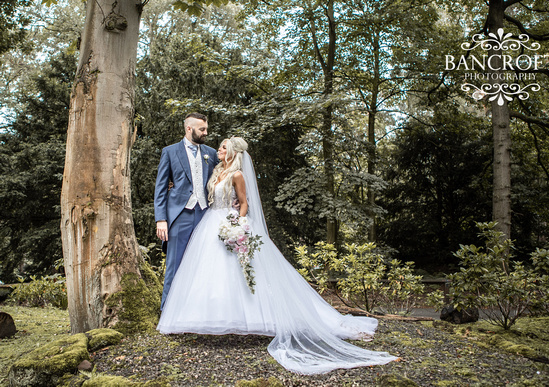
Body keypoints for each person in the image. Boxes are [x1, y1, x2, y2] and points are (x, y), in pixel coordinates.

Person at [157, 137, 398, 375]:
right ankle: (207, 318)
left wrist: (237, 224)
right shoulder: (217, 169)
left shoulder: (238, 175)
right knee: (209, 275)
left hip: (230, 223)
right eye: (219, 147)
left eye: (222, 147)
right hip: (211, 225)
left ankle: (252, 319)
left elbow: (244, 203)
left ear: (231, 151)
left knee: (241, 273)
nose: (218, 149)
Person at [154, 113, 219, 309]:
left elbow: (220, 180)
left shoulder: (211, 153)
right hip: (179, 215)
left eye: (206, 129)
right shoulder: (170, 152)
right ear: (189, 129)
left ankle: (195, 311)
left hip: (205, 216)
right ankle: (167, 312)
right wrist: (161, 219)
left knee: (204, 265)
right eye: (202, 129)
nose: (206, 133)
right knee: (174, 266)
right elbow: (160, 188)